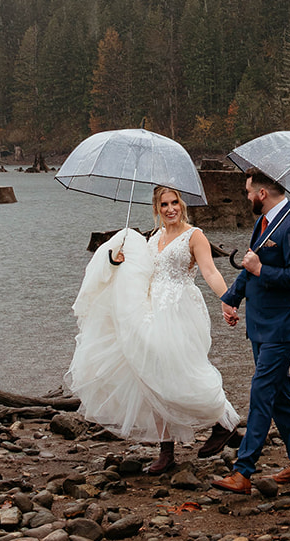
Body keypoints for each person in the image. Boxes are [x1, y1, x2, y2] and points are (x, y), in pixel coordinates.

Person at [67, 184, 241, 474]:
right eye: (164, 205)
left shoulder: (194, 236)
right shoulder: (155, 236)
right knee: (149, 374)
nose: (170, 209)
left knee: (184, 370)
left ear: (182, 204)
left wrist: (227, 301)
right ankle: (166, 450)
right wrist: (117, 260)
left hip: (179, 310)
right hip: (149, 311)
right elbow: (141, 270)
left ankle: (223, 422)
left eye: (174, 203)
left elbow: (210, 271)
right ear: (156, 208)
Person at [211, 168, 290, 494]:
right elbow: (249, 265)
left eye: (247, 192)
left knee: (261, 392)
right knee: (280, 396)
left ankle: (243, 471)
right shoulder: (264, 222)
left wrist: (262, 268)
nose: (246, 197)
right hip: (259, 323)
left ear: (261, 194)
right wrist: (231, 299)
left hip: (284, 326)